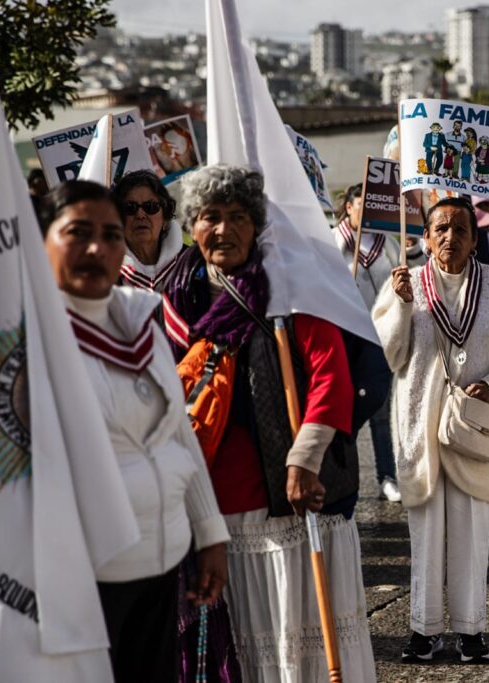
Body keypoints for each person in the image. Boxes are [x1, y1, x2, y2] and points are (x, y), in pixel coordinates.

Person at [164, 165, 377, 682]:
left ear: (257, 225)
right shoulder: (174, 303)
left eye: (238, 216)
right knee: (243, 654)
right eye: (211, 216)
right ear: (192, 225)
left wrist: (304, 460)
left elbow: (333, 379)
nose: (224, 229)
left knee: (299, 649)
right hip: (217, 514)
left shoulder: (289, 289)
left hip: (293, 506)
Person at [38, 179, 230, 683]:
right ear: (43, 242)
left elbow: (178, 435)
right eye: (78, 232)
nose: (97, 248)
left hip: (163, 561)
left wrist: (209, 532)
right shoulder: (29, 340)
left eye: (109, 234)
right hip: (83, 575)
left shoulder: (141, 323)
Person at [373, 197, 489, 663]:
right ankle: (423, 629)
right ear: (425, 236)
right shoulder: (405, 285)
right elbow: (388, 357)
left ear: (476, 238)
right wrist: (399, 307)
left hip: (476, 426)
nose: (450, 238)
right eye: (440, 229)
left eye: (461, 229)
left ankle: (471, 630)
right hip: (421, 425)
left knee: (473, 529)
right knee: (425, 530)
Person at [332, 183, 401, 502]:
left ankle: (387, 475)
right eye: (362, 203)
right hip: (346, 334)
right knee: (346, 408)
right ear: (348, 207)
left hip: (381, 336)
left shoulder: (386, 239)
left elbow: (405, 268)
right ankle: (342, 475)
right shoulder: (333, 241)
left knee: (380, 407)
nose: (368, 209)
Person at [113, 170, 185, 292]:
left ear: (165, 219)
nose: (140, 215)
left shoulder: (191, 264)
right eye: (130, 207)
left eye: (150, 207)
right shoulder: (105, 276)